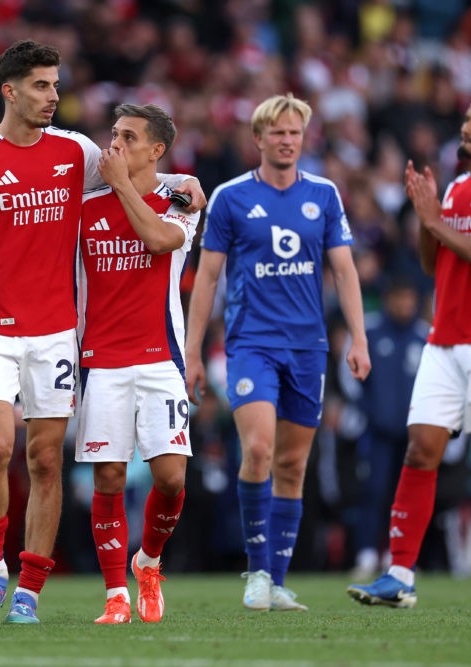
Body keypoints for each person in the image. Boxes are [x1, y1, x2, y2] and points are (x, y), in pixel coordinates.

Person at [0, 39, 205, 625]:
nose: (53, 96)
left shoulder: (76, 151)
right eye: (41, 85)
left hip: (59, 334)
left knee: (47, 460)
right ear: (9, 91)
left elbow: (138, 172)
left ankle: (29, 590)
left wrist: (186, 182)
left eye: (56, 85)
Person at [348, 90, 471, 609]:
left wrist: (434, 220)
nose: (467, 128)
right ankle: (399, 575)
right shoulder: (455, 187)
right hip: (444, 340)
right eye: (466, 119)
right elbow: (437, 265)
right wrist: (424, 213)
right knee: (420, 449)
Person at [185, 93, 370, 612]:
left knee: (292, 463)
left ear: (302, 138)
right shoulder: (230, 197)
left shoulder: (326, 194)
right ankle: (256, 572)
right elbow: (208, 278)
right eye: (278, 133)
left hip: (308, 348)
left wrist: (358, 337)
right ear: (259, 139)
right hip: (251, 345)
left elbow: (344, 270)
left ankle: (278, 580)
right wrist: (193, 351)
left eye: (295, 133)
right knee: (259, 450)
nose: (287, 141)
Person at [76, 103, 200, 624]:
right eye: (114, 135)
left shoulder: (181, 204)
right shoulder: (85, 206)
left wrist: (126, 185)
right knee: (108, 478)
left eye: (129, 137)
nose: (115, 145)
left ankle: (147, 562)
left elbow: (157, 240)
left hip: (160, 357)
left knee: (170, 478)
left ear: (156, 151)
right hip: (101, 357)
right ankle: (115, 596)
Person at [350, 277, 428, 579]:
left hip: (411, 435)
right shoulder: (368, 330)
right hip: (377, 431)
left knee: (406, 495)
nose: (405, 304)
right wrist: (363, 413)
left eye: (410, 297)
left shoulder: (423, 335)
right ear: (388, 298)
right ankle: (368, 553)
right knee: (374, 491)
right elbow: (351, 377)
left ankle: (401, 556)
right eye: (399, 297)